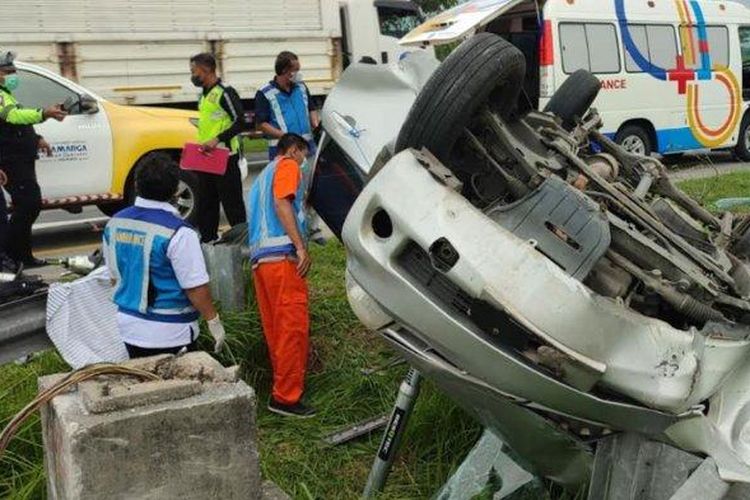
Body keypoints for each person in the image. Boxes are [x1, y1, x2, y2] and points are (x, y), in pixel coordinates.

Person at [103, 153, 226, 359]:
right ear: (175, 191)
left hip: (127, 327)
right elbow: (194, 287)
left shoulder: (115, 223)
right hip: (170, 332)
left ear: (136, 185)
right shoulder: (179, 232)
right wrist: (213, 320)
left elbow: (113, 271)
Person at [247, 133, 315, 418]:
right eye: (304, 154)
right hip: (282, 260)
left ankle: (281, 390)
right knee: (292, 329)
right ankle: (286, 398)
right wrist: (300, 246)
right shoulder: (288, 165)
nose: (304, 161)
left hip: (261, 263)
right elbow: (282, 204)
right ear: (294, 149)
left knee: (276, 330)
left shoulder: (261, 177)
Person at [0, 50, 67, 268]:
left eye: (13, 71)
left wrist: (37, 139)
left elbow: (14, 124)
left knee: (27, 206)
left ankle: (22, 256)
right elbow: (13, 116)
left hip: (20, 159)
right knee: (28, 205)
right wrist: (44, 113)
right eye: (7, 71)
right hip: (10, 161)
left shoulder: (6, 94)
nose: (13, 75)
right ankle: (12, 256)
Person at [189, 52, 247, 243]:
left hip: (225, 156)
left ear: (206, 70)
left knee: (233, 205)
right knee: (206, 203)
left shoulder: (225, 93)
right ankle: (208, 241)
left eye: (194, 71)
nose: (192, 75)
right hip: (206, 158)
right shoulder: (204, 95)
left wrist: (217, 139)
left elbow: (240, 121)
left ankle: (243, 242)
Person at [255, 51, 320, 160]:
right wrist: (285, 137)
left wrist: (316, 125)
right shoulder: (265, 93)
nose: (298, 73)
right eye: (296, 70)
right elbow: (262, 124)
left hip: (307, 149)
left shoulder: (301, 87)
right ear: (285, 70)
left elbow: (311, 109)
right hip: (283, 151)